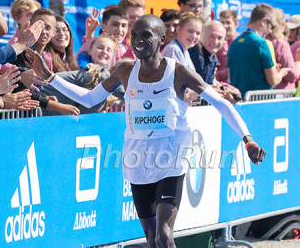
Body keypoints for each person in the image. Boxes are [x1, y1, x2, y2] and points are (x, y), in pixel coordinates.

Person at [28, 14, 266, 247]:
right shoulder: (124, 70)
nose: (138, 40)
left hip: (171, 159)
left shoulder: (178, 72)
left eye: (146, 35)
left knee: (164, 235)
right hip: (137, 161)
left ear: (162, 39)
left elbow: (221, 103)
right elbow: (90, 99)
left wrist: (248, 140)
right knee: (151, 238)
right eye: (135, 35)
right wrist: (50, 77)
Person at [40, 34, 123, 115]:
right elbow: (124, 92)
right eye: (100, 47)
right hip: (40, 107)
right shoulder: (97, 72)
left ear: (113, 56)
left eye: (109, 50)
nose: (104, 52)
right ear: (90, 51)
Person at [228, 4, 289, 97]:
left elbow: (230, 76)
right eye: (272, 26)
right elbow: (273, 81)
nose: (271, 31)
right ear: (264, 21)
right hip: (259, 102)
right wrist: (282, 72)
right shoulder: (262, 44)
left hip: (239, 102)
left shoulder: (234, 43)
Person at [266, 8, 300, 89]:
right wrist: (298, 63)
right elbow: (292, 76)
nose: (290, 32)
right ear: (283, 25)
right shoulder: (281, 44)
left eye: (293, 30)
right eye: (290, 29)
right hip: (281, 96)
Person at [216, 10, 239, 83]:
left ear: (236, 24)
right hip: (219, 85)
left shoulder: (240, 42)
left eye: (228, 23)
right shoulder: (215, 42)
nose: (225, 26)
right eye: (222, 23)